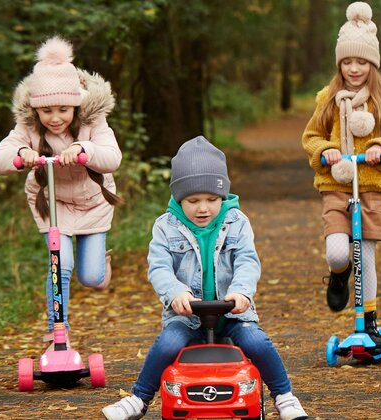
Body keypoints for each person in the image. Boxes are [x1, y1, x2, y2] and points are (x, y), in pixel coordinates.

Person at [101, 137, 308, 420]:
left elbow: (247, 260)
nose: (203, 208)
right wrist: (175, 293)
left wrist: (241, 292)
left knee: (257, 342)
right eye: (193, 200)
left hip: (232, 314)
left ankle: (284, 396)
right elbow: (159, 267)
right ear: (178, 198)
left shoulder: (236, 221)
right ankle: (139, 398)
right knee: (168, 344)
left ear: (222, 196)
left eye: (211, 199)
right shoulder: (166, 227)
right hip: (186, 316)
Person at [0, 36, 122, 350]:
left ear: (76, 105)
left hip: (92, 203)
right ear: (36, 110)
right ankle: (56, 335)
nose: (55, 118)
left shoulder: (94, 122)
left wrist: (84, 149)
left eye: (63, 109)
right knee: (59, 265)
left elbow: (112, 157)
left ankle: (100, 266)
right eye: (46, 111)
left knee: (91, 278)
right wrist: (21, 154)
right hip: (54, 206)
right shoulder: (30, 128)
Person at [301, 2, 381, 343]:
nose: (354, 68)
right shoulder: (328, 98)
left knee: (365, 255)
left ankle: (369, 322)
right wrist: (325, 151)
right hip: (336, 186)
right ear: (339, 64)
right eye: (347, 62)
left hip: (373, 185)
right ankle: (339, 275)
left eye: (361, 62)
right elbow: (310, 138)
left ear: (372, 63)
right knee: (339, 251)